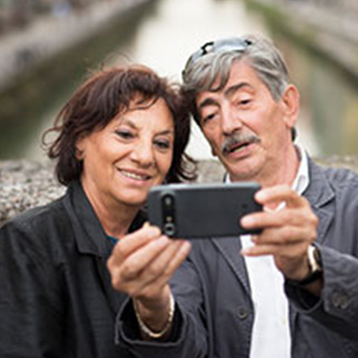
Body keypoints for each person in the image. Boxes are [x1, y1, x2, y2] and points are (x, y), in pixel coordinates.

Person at [108, 34, 358, 358]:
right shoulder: (190, 225)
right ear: (207, 141)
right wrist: (153, 308)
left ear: (288, 105)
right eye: (210, 115)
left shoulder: (351, 201)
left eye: (243, 101)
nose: (228, 124)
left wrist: (311, 268)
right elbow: (184, 350)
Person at [0, 64, 195, 357]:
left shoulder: (168, 241)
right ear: (80, 141)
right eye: (126, 134)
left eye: (161, 143)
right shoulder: (30, 243)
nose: (145, 156)